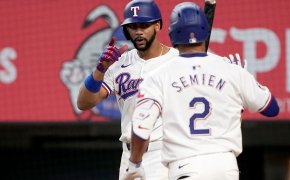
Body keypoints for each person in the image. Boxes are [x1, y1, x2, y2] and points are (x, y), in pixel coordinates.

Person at [124, 2, 279, 180]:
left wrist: (134, 164)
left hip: (186, 166)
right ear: (205, 31)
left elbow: (141, 128)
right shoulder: (231, 70)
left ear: (172, 34)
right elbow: (272, 108)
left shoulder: (158, 76)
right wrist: (238, 92)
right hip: (226, 167)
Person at [77, 0, 217, 179]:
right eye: (133, 27)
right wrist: (100, 70)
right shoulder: (119, 63)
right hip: (129, 156)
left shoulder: (179, 60)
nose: (138, 32)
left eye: (144, 25)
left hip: (164, 153)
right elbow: (83, 103)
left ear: (158, 25)